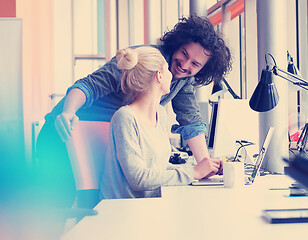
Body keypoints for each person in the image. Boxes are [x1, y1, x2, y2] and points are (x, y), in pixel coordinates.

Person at [35, 14, 232, 207]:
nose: (185, 65)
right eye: (184, 54)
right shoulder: (144, 62)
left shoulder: (180, 79)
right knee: (56, 209)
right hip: (64, 131)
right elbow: (90, 86)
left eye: (195, 64)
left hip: (96, 140)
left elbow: (191, 121)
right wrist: (69, 112)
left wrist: (206, 166)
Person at [100, 47, 219, 199]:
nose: (172, 74)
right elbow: (139, 179)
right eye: (167, 70)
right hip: (124, 208)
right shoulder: (124, 118)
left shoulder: (160, 114)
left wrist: (201, 168)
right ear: (159, 76)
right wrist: (193, 173)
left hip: (150, 204)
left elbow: (158, 168)